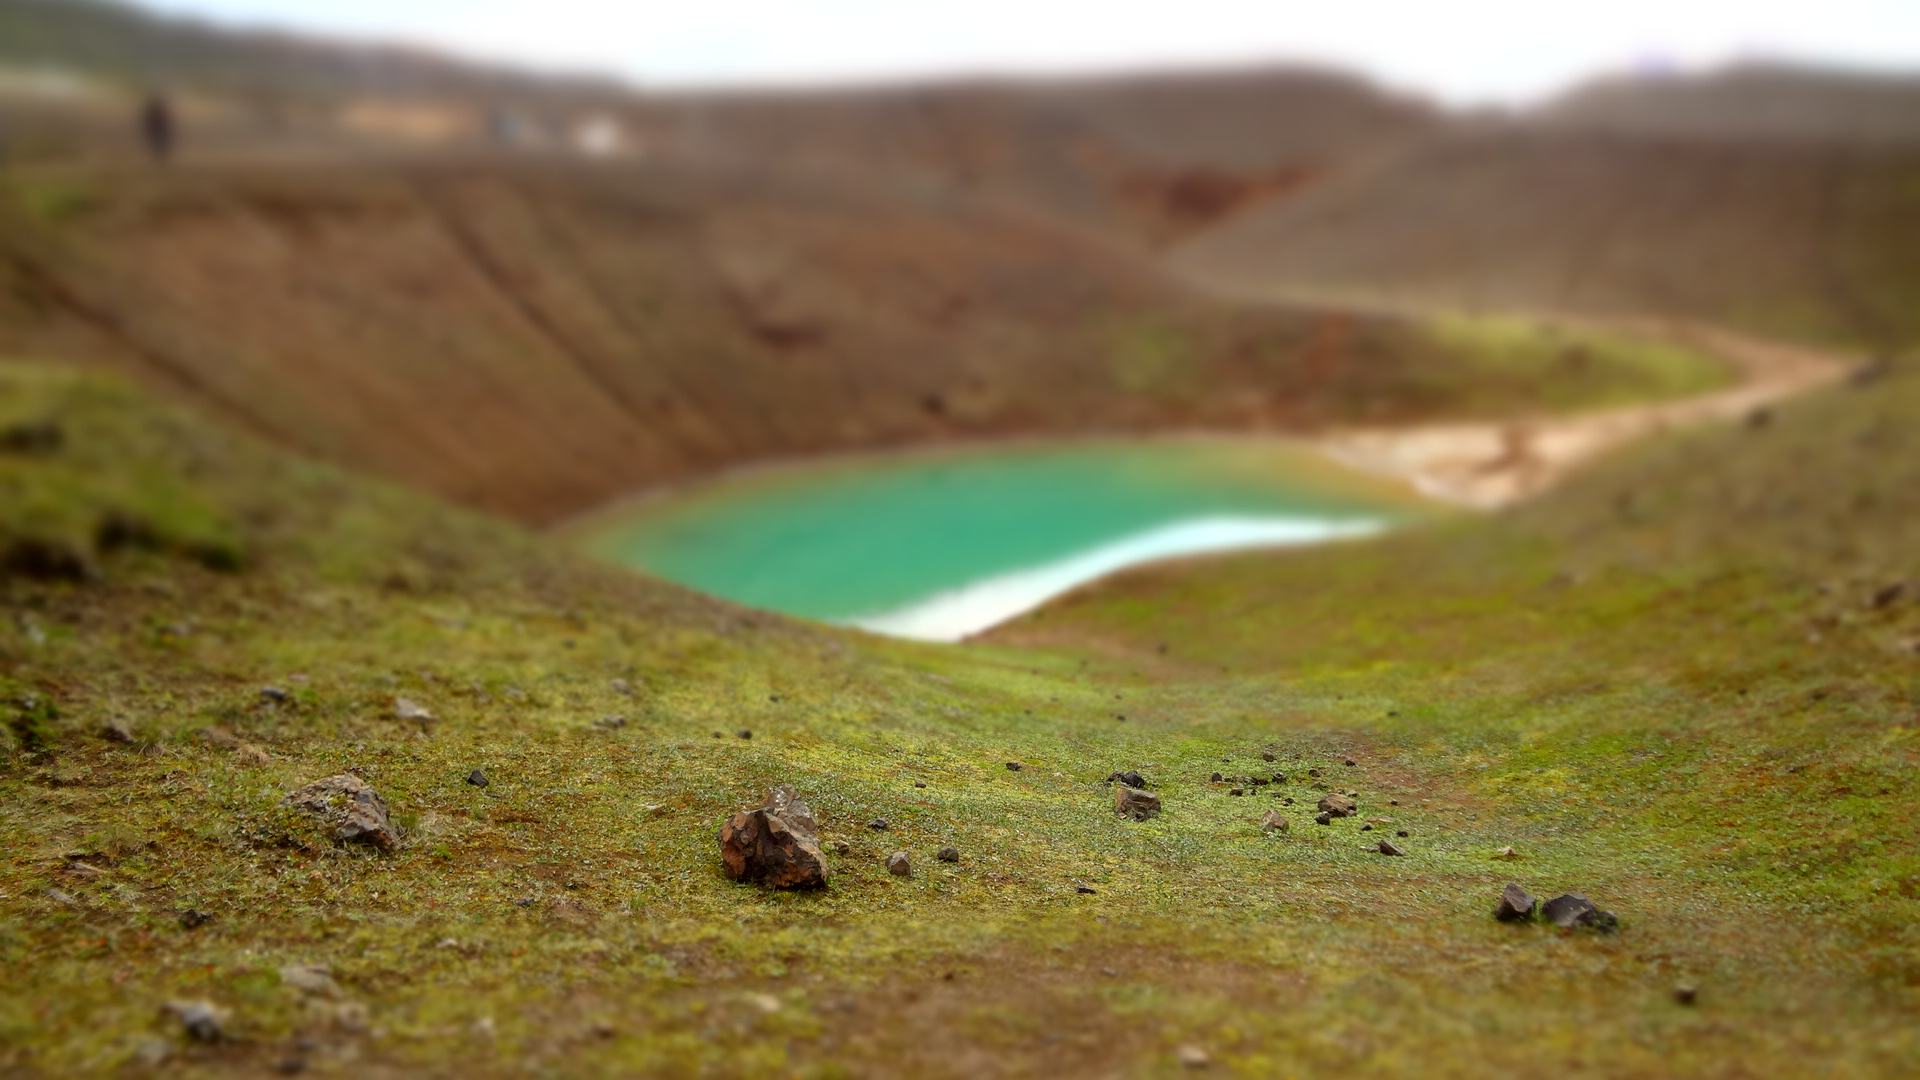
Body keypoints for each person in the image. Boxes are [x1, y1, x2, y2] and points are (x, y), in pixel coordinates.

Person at [140, 93, 174, 162]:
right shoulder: (157, 113)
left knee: (158, 144)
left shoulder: (155, 112)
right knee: (158, 144)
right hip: (157, 132)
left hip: (158, 132)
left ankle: (160, 157)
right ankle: (160, 157)